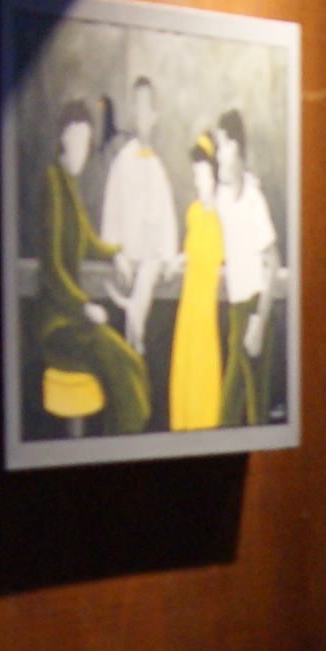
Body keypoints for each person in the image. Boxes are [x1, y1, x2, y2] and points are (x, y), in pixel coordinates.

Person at [32, 97, 149, 435]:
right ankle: (125, 444)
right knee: (122, 362)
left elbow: (88, 240)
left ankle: (126, 441)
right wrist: (85, 307)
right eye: (78, 140)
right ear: (63, 138)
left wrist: (116, 254)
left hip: (73, 320)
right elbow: (52, 269)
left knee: (128, 361)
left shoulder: (69, 187)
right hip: (57, 327)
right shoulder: (52, 184)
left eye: (88, 141)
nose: (84, 149)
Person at [101, 75, 182, 401]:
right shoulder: (122, 163)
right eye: (137, 107)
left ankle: (138, 330)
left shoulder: (159, 170)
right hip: (127, 268)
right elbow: (111, 219)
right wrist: (117, 254)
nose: (142, 114)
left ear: (155, 115)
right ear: (133, 114)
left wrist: (165, 258)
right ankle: (132, 334)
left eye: (148, 107)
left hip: (150, 271)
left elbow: (168, 231)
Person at [211, 109, 278, 426]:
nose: (217, 154)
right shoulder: (221, 198)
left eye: (222, 145)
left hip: (254, 312)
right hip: (236, 315)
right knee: (226, 418)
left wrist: (258, 322)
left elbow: (274, 262)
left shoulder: (254, 200)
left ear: (236, 148)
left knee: (258, 414)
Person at [167, 130, 227, 432]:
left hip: (204, 312)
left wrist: (190, 259)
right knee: (183, 378)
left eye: (203, 175)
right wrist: (179, 259)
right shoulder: (193, 214)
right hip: (187, 309)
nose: (198, 182)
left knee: (202, 381)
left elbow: (211, 257)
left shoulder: (220, 218)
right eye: (195, 175)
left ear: (215, 178)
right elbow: (190, 253)